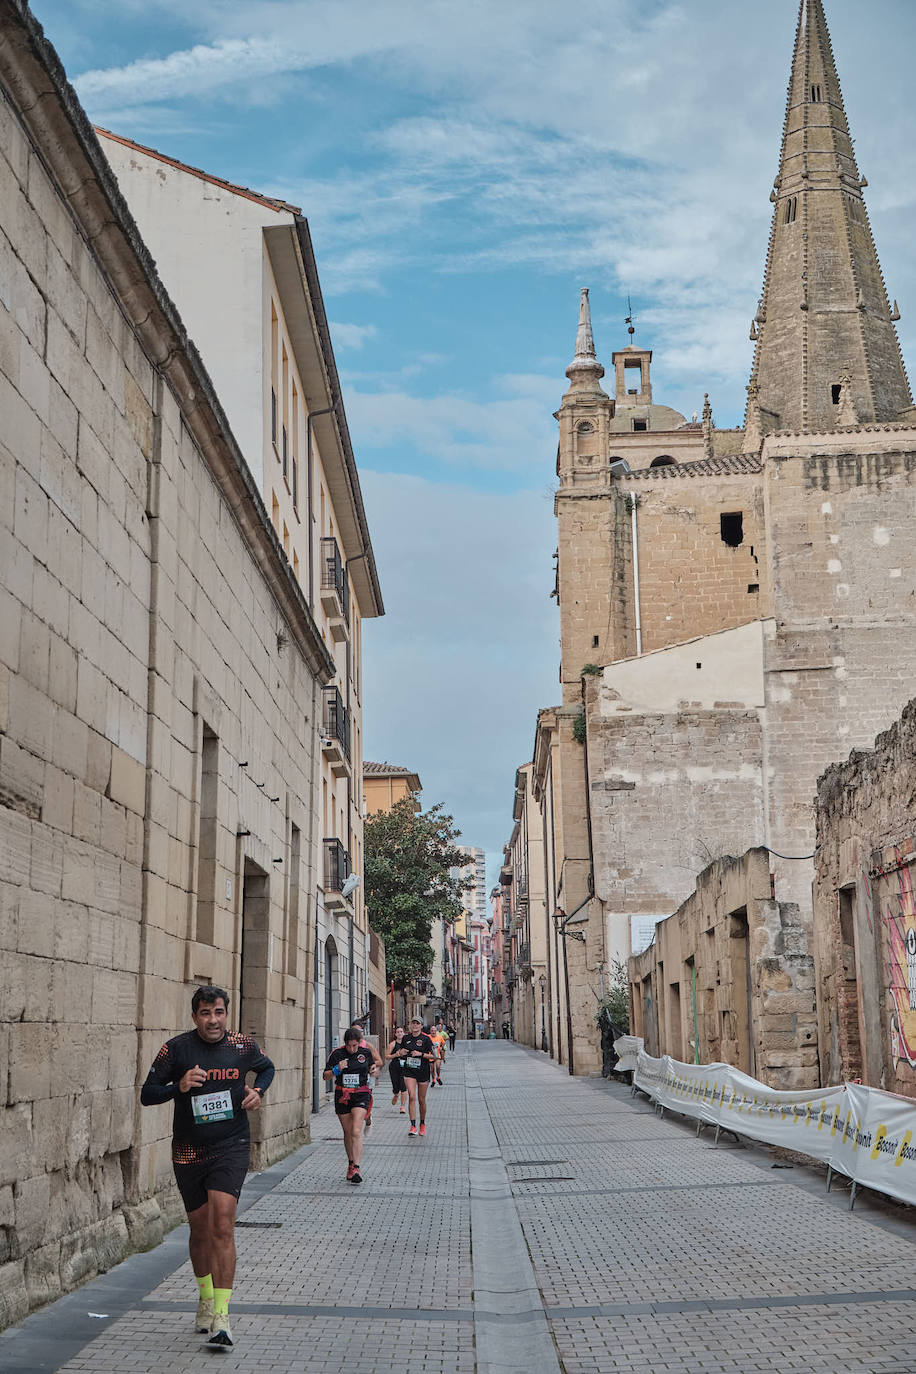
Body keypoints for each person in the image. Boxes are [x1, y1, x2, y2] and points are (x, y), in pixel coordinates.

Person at [140, 984, 274, 1350]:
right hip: (188, 1151)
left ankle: (222, 1316)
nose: (213, 1020)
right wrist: (178, 1086)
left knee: (222, 1224)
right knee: (199, 1230)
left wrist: (257, 1092)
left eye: (218, 1012)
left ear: (226, 1013)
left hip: (231, 1146)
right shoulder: (177, 1049)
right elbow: (147, 1093)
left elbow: (267, 1068)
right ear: (194, 1015)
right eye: (205, 1013)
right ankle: (204, 1297)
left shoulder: (242, 1046)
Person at [323, 1026, 382, 1184]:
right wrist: (337, 1069)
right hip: (342, 1094)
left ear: (359, 1043)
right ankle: (350, 1164)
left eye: (355, 1045)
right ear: (345, 1044)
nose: (352, 1049)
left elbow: (374, 1067)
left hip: (361, 1094)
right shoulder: (337, 1054)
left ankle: (357, 1167)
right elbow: (325, 1076)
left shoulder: (365, 1053)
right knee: (348, 1132)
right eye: (349, 1045)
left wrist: (374, 1070)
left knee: (356, 1130)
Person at [397, 1017, 435, 1136]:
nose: (415, 1025)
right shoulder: (406, 1038)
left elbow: (435, 1056)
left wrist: (421, 1054)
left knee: (421, 1100)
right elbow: (401, 1053)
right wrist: (401, 1053)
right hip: (409, 1071)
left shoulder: (426, 1039)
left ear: (421, 1026)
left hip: (423, 1071)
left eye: (417, 1023)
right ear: (410, 1025)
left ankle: (422, 1124)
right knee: (412, 1096)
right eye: (413, 1023)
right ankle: (413, 1126)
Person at [386, 1025, 408, 1112]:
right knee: (396, 1087)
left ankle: (402, 1106)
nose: (399, 1033)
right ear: (395, 1034)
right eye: (398, 1032)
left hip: (405, 1067)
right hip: (394, 1067)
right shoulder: (392, 1044)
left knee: (403, 1087)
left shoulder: (407, 1044)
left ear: (404, 1033)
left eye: (401, 1032)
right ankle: (396, 1094)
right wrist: (397, 1054)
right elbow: (387, 1057)